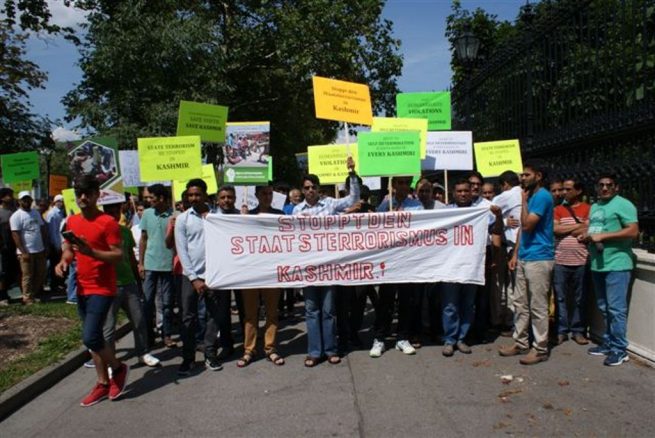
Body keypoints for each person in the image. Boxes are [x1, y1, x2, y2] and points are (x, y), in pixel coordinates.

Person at [54, 175, 129, 406]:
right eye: (79, 194)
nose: (83, 198)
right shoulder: (72, 221)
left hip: (103, 288)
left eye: (88, 193)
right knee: (92, 339)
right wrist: (63, 260)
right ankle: (102, 382)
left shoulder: (107, 222)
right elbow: (68, 247)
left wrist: (91, 252)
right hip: (82, 287)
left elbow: (118, 255)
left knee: (90, 336)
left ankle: (117, 369)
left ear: (98, 195)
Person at [293, 156, 359, 367]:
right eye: (307, 187)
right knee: (312, 310)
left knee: (328, 310)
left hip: (329, 266)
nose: (310, 190)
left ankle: (330, 350)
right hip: (308, 267)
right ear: (302, 190)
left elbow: (352, 199)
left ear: (319, 189)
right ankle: (314, 352)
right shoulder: (296, 211)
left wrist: (352, 174)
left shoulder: (330, 204)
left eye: (313, 187)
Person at [579, 174, 638, 366]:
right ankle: (609, 342)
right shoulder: (595, 206)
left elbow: (632, 231)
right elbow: (595, 229)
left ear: (616, 187)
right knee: (604, 308)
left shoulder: (623, 204)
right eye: (601, 185)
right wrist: (587, 235)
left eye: (609, 185)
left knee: (616, 309)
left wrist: (605, 236)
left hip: (617, 264)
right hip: (598, 263)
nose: (605, 188)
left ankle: (620, 349)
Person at [499, 162, 554, 365]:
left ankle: (540, 348)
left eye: (527, 175)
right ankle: (520, 342)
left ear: (538, 176)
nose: (522, 178)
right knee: (520, 302)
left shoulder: (541, 197)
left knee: (538, 305)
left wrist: (522, 202)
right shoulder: (531, 196)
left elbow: (528, 224)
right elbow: (522, 230)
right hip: (524, 256)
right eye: (521, 175)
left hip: (539, 258)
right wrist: (515, 254)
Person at [175, 179, 232, 375]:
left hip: (215, 276)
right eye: (190, 195)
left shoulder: (217, 216)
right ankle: (188, 358)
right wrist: (194, 278)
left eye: (197, 194)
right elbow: (182, 251)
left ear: (205, 195)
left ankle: (210, 354)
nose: (193, 198)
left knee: (213, 317)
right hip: (190, 277)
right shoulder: (183, 219)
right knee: (188, 319)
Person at [441, 180, 504, 357]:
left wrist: (498, 216)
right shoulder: (445, 212)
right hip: (450, 265)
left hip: (472, 264)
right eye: (459, 191)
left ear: (471, 193)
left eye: (465, 191)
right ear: (453, 192)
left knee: (468, 304)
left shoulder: (483, 211)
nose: (462, 194)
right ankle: (449, 339)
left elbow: (497, 231)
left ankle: (462, 338)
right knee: (450, 304)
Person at [369, 176, 423, 358]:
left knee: (407, 300)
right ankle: (380, 338)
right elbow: (375, 226)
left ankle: (402, 337)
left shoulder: (417, 206)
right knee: (386, 301)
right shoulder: (385, 204)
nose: (403, 186)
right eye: (399, 183)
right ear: (393, 185)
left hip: (408, 260)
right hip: (389, 260)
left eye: (406, 183)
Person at [101, 202, 160, 367]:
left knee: (139, 319)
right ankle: (111, 363)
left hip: (129, 284)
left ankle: (143, 353)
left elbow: (131, 259)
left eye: (115, 211)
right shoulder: (99, 233)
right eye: (108, 211)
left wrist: (137, 281)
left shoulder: (125, 232)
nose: (112, 214)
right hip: (108, 286)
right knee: (108, 328)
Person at [237, 185, 285, 367]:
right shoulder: (248, 216)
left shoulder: (280, 215)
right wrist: (243, 219)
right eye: (263, 193)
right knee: (250, 314)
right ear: (256, 195)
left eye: (270, 193)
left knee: (272, 312)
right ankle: (249, 349)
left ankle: (270, 348)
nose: (267, 197)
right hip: (251, 272)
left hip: (272, 271)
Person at [553, 178, 591, 346]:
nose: (564, 192)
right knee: (560, 298)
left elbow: (589, 229)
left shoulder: (589, 209)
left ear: (578, 190)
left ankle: (578, 330)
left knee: (579, 298)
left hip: (581, 260)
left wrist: (567, 229)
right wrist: (578, 227)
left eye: (568, 189)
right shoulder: (558, 209)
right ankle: (561, 330)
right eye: (563, 189)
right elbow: (555, 229)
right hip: (560, 260)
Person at [139, 184, 176, 348]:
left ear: (161, 198)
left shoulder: (175, 216)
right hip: (150, 264)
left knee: (167, 304)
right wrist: (140, 263)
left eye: (152, 197)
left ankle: (166, 335)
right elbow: (144, 239)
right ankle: (148, 336)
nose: (149, 200)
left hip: (168, 265)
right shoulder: (146, 214)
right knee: (147, 302)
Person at [490, 171, 522, 335]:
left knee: (502, 287)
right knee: (513, 287)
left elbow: (487, 214)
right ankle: (512, 321)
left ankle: (503, 320)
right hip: (517, 245)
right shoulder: (525, 194)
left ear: (505, 185)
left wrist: (501, 221)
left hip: (509, 246)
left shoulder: (505, 196)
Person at [10, 191, 49, 304]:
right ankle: (27, 298)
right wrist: (23, 251)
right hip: (26, 251)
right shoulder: (16, 216)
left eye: (28, 199)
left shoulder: (35, 213)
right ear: (19, 201)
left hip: (39, 249)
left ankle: (34, 294)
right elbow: (15, 235)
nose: (27, 201)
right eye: (24, 199)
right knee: (27, 275)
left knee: (41, 273)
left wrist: (45, 245)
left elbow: (42, 228)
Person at [45, 194, 66, 294]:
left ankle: (59, 283)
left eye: (62, 201)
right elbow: (53, 231)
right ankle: (54, 285)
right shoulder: (52, 213)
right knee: (55, 264)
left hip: (61, 243)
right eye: (59, 201)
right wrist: (56, 245)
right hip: (56, 244)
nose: (61, 203)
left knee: (60, 264)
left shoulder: (61, 212)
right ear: (55, 202)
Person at [0, 188, 17, 305]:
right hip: (2, 247)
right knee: (3, 272)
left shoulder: (14, 211)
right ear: (2, 198)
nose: (11, 197)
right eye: (9, 195)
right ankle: (2, 296)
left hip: (13, 246)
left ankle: (6, 291)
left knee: (12, 272)